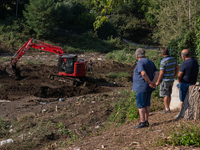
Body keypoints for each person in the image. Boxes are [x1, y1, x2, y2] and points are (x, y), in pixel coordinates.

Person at [133, 48, 159, 129]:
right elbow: (157, 73)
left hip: (141, 87)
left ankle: (142, 121)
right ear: (144, 54)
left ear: (137, 56)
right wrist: (152, 82)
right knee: (147, 104)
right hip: (148, 87)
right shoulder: (150, 61)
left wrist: (149, 82)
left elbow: (143, 73)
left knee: (141, 105)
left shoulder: (140, 62)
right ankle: (146, 120)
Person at [175, 49, 199, 118]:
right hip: (193, 83)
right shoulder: (195, 61)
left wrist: (179, 80)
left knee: (182, 100)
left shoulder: (185, 63)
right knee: (178, 85)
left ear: (183, 56)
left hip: (185, 83)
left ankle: (181, 114)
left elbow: (179, 75)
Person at [155, 47, 179, 113]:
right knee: (169, 94)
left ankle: (167, 109)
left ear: (162, 54)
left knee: (165, 94)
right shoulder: (173, 59)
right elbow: (177, 67)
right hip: (171, 80)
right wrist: (174, 75)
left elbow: (161, 73)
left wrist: (158, 81)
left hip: (165, 80)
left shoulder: (163, 61)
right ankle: (168, 107)